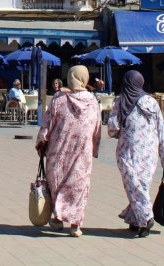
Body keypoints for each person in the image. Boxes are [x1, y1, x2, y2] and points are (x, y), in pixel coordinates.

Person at [36, 65, 102, 237]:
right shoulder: (93, 101)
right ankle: (75, 224)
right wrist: (94, 146)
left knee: (57, 183)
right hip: (82, 152)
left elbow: (47, 124)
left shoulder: (59, 99)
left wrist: (42, 142)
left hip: (59, 151)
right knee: (78, 186)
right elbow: (97, 127)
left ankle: (58, 219)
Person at [108, 70, 164, 238]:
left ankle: (145, 217)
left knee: (133, 185)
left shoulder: (120, 101)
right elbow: (161, 129)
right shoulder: (151, 102)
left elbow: (112, 128)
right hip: (149, 153)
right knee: (141, 186)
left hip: (128, 151)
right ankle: (134, 219)